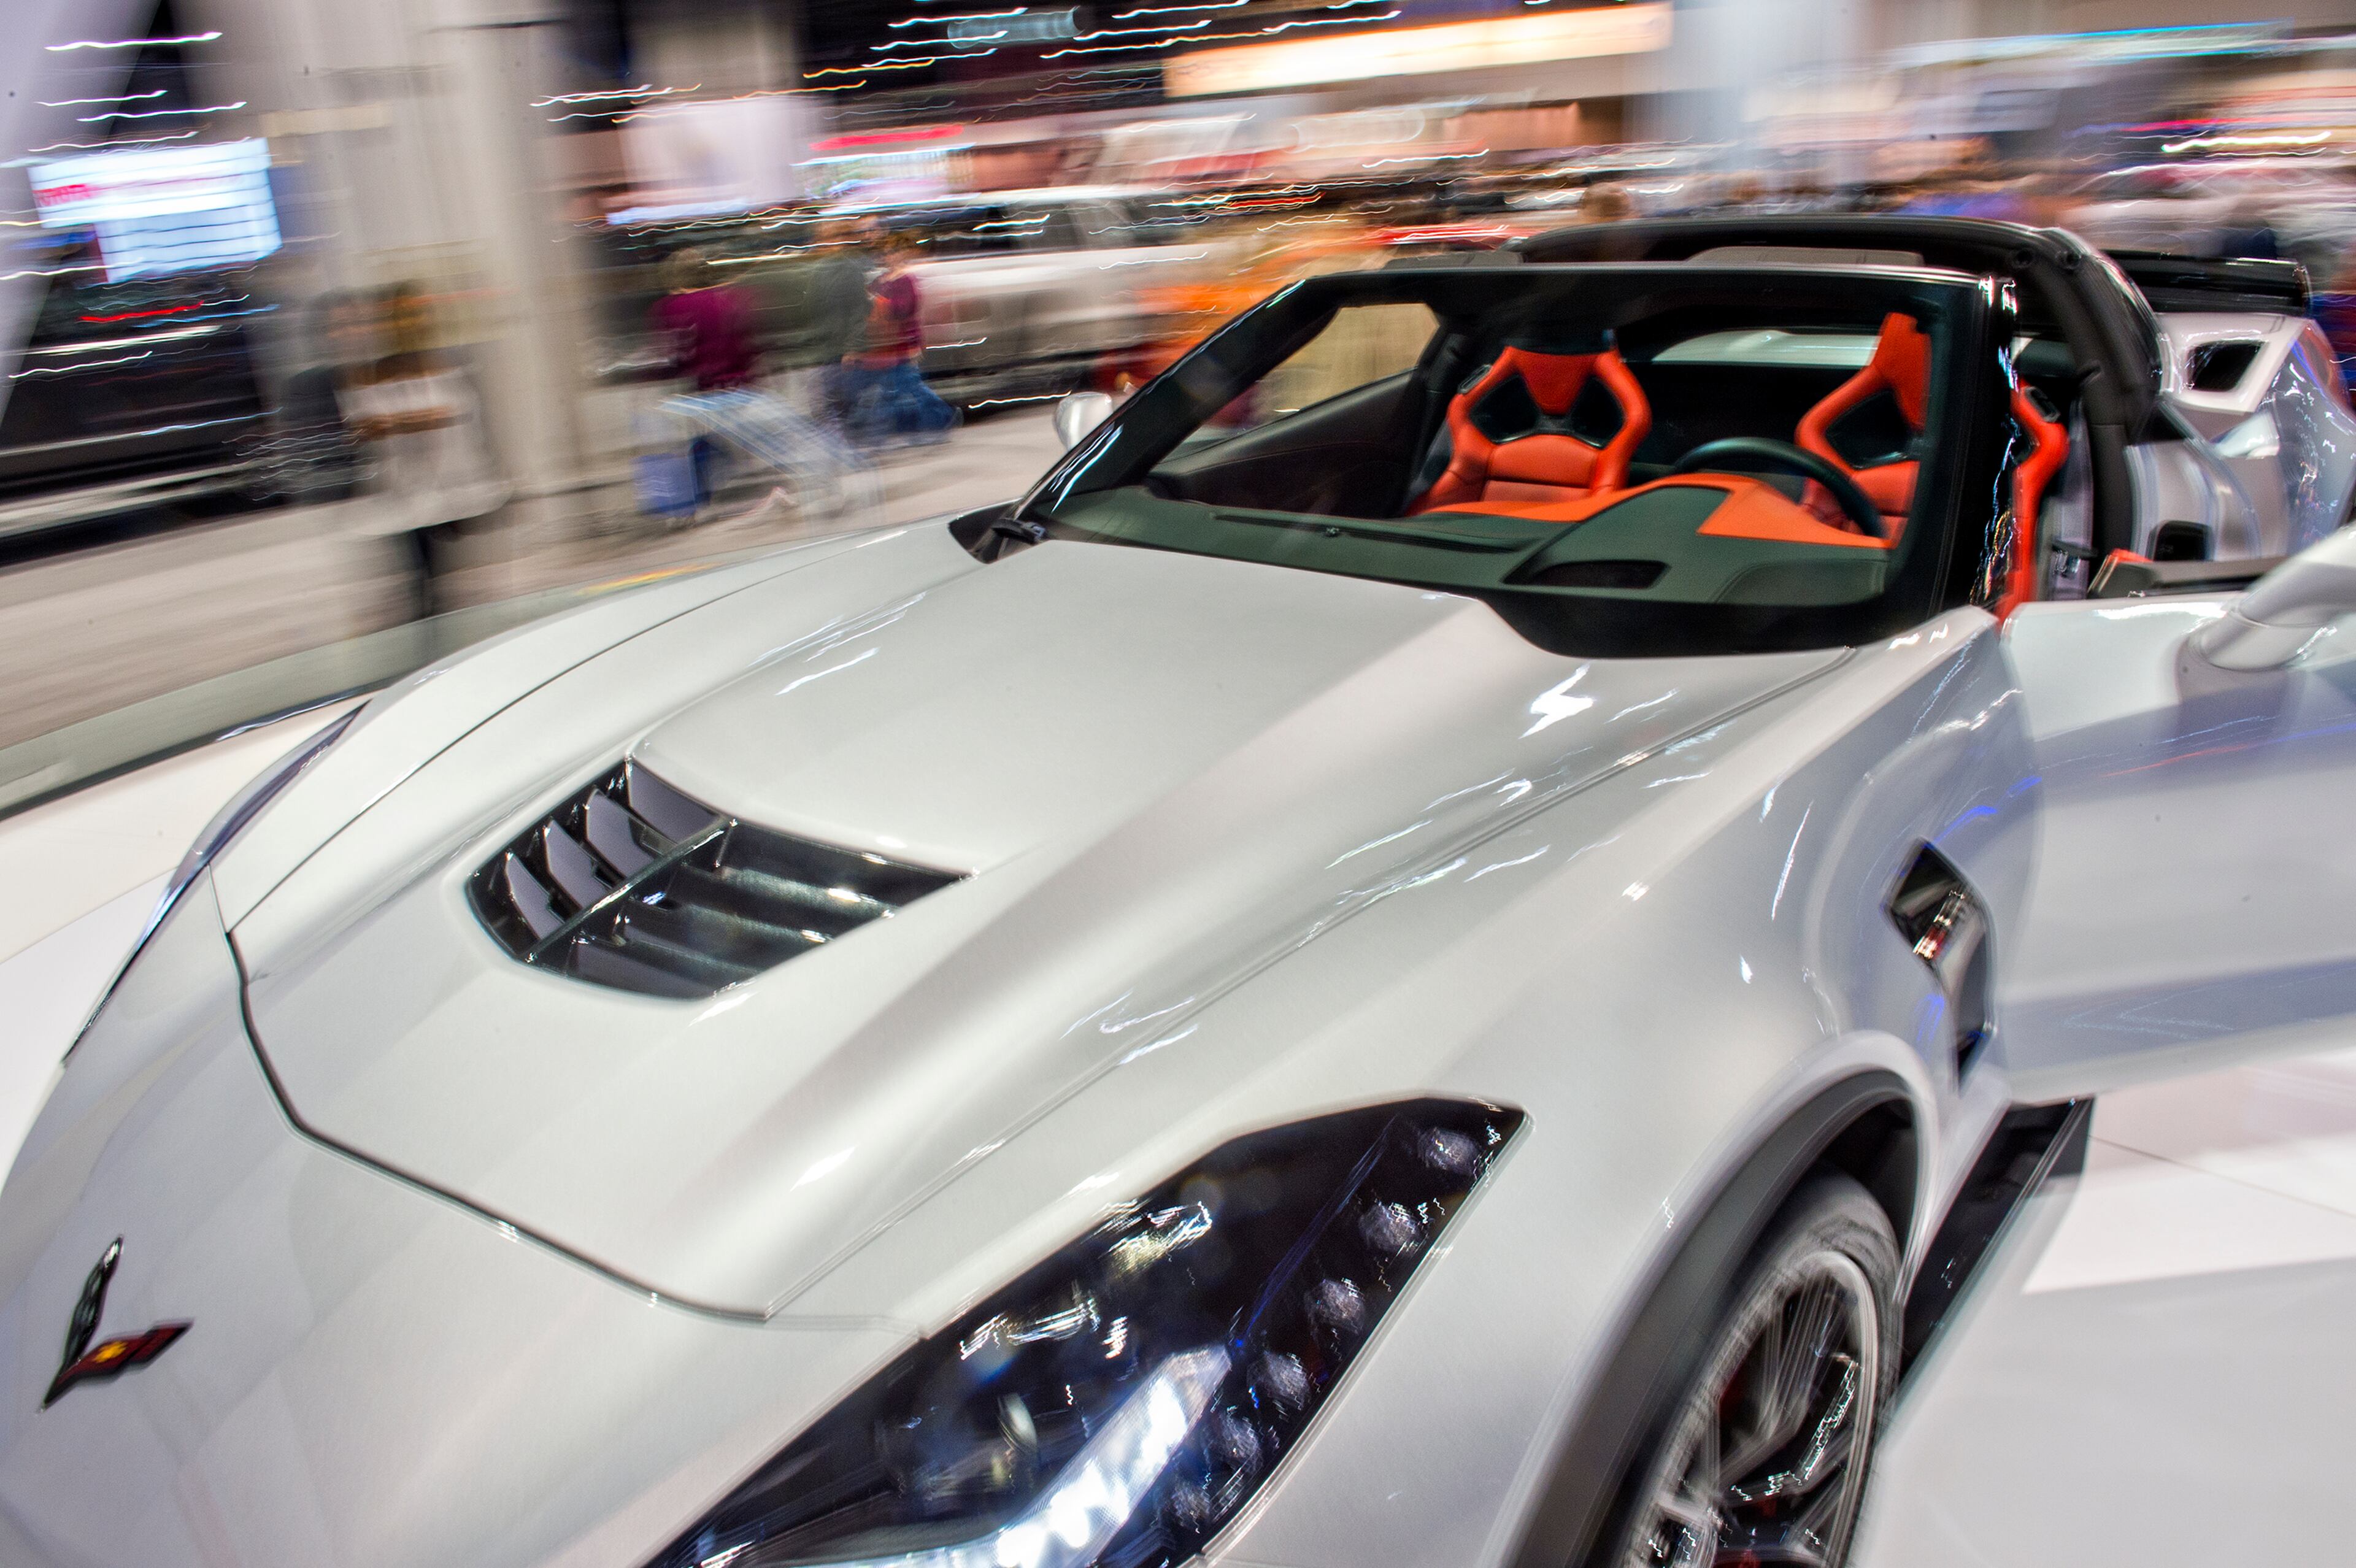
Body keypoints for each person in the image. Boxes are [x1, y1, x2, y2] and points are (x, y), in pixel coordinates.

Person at [340, 283, 506, 619]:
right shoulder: (374, 373)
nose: (408, 324)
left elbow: (455, 414)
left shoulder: (444, 365)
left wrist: (402, 422)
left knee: (443, 566)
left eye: (414, 314)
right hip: (404, 486)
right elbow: (368, 425)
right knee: (421, 566)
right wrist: (412, 421)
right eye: (399, 316)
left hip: (450, 480)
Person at [844, 228, 955, 447]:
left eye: (893, 252)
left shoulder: (906, 280)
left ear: (903, 253)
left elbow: (905, 309)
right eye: (885, 253)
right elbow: (868, 303)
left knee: (912, 389)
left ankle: (942, 417)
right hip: (886, 345)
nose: (888, 257)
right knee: (897, 389)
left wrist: (880, 301)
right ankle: (906, 431)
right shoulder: (882, 279)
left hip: (905, 343)